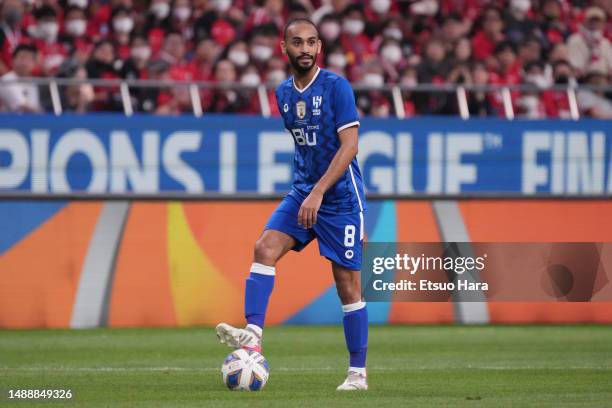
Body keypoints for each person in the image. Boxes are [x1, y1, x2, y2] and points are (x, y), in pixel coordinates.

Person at [215, 18, 368, 391]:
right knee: (264, 248)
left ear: (320, 48)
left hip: (341, 199)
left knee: (347, 286)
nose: (306, 49)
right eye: (297, 42)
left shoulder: (336, 87)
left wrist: (319, 192)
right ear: (284, 48)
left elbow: (350, 147)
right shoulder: (283, 93)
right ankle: (252, 335)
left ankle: (357, 374)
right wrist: (307, 190)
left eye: (312, 42)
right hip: (303, 191)